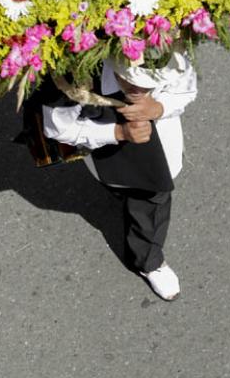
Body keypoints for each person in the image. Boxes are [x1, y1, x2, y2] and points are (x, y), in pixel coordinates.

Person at [41, 50, 197, 300]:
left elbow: (186, 89)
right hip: (108, 156)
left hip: (159, 155)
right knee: (119, 188)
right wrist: (119, 133)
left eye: (148, 85)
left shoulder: (169, 50)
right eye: (133, 82)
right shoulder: (75, 79)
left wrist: (157, 107)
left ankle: (149, 262)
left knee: (153, 200)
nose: (139, 91)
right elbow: (57, 127)